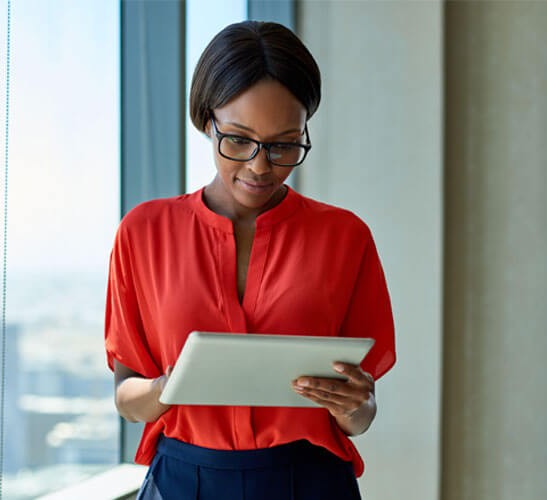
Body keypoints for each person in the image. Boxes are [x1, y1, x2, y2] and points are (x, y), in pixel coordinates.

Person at [105, 20, 395, 500]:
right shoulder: (143, 232)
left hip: (310, 480)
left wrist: (353, 405)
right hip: (183, 481)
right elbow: (126, 398)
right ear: (206, 120)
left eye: (283, 145)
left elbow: (361, 417)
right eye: (238, 139)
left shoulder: (345, 237)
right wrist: (172, 387)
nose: (260, 166)